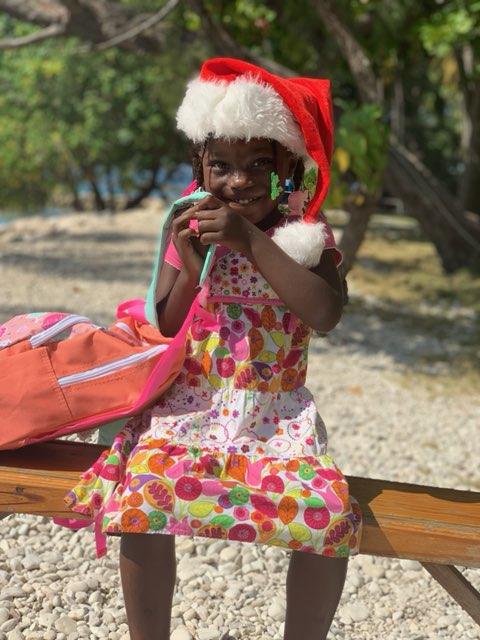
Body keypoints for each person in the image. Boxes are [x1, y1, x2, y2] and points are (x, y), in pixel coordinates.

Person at [64, 57, 362, 640]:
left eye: (258, 165)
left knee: (326, 517)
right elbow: (171, 325)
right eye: (221, 165)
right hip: (191, 407)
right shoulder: (193, 230)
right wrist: (194, 261)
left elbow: (324, 314)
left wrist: (250, 240)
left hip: (277, 417)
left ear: (290, 169)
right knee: (143, 500)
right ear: (199, 167)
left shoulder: (304, 240)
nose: (239, 181)